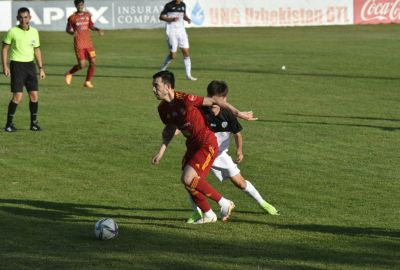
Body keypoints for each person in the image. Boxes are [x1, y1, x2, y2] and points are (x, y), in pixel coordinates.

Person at [151, 70, 257, 224]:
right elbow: (170, 130)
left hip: (206, 142)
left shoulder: (185, 99)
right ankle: (208, 214)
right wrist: (161, 152)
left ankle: (224, 203)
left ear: (167, 86)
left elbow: (215, 101)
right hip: (192, 145)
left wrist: (239, 113)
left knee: (189, 178)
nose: (153, 89)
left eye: (156, 85)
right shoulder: (162, 109)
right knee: (188, 182)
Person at [186, 81, 280, 223]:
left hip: (219, 155)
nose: (214, 103)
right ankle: (197, 212)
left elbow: (237, 134)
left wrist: (239, 151)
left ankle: (264, 204)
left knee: (240, 183)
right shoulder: (200, 111)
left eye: (218, 100)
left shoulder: (228, 114)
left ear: (224, 100)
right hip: (202, 153)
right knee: (191, 181)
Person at [2, 7, 46, 132]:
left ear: (30, 18)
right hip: (17, 66)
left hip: (30, 66)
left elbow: (37, 50)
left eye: (25, 17)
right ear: (17, 18)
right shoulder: (12, 31)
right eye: (21, 17)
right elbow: (5, 49)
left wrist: (41, 68)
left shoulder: (34, 32)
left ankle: (33, 124)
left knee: (34, 95)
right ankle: (9, 124)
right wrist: (5, 66)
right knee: (18, 96)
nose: (23, 19)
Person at [64, 0, 104, 88]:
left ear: (83, 5)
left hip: (89, 44)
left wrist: (98, 29)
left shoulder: (87, 15)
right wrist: (72, 33)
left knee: (93, 62)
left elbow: (90, 26)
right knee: (82, 65)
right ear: (75, 5)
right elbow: (67, 30)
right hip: (79, 45)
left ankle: (87, 81)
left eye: (82, 4)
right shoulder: (72, 18)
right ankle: (69, 73)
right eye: (78, 5)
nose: (80, 6)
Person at [159, 0, 197, 81]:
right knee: (173, 56)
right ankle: (162, 70)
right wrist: (171, 19)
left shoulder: (183, 5)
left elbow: (184, 15)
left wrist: (187, 19)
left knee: (186, 52)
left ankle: (188, 75)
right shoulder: (169, 5)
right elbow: (161, 17)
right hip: (172, 31)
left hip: (181, 32)